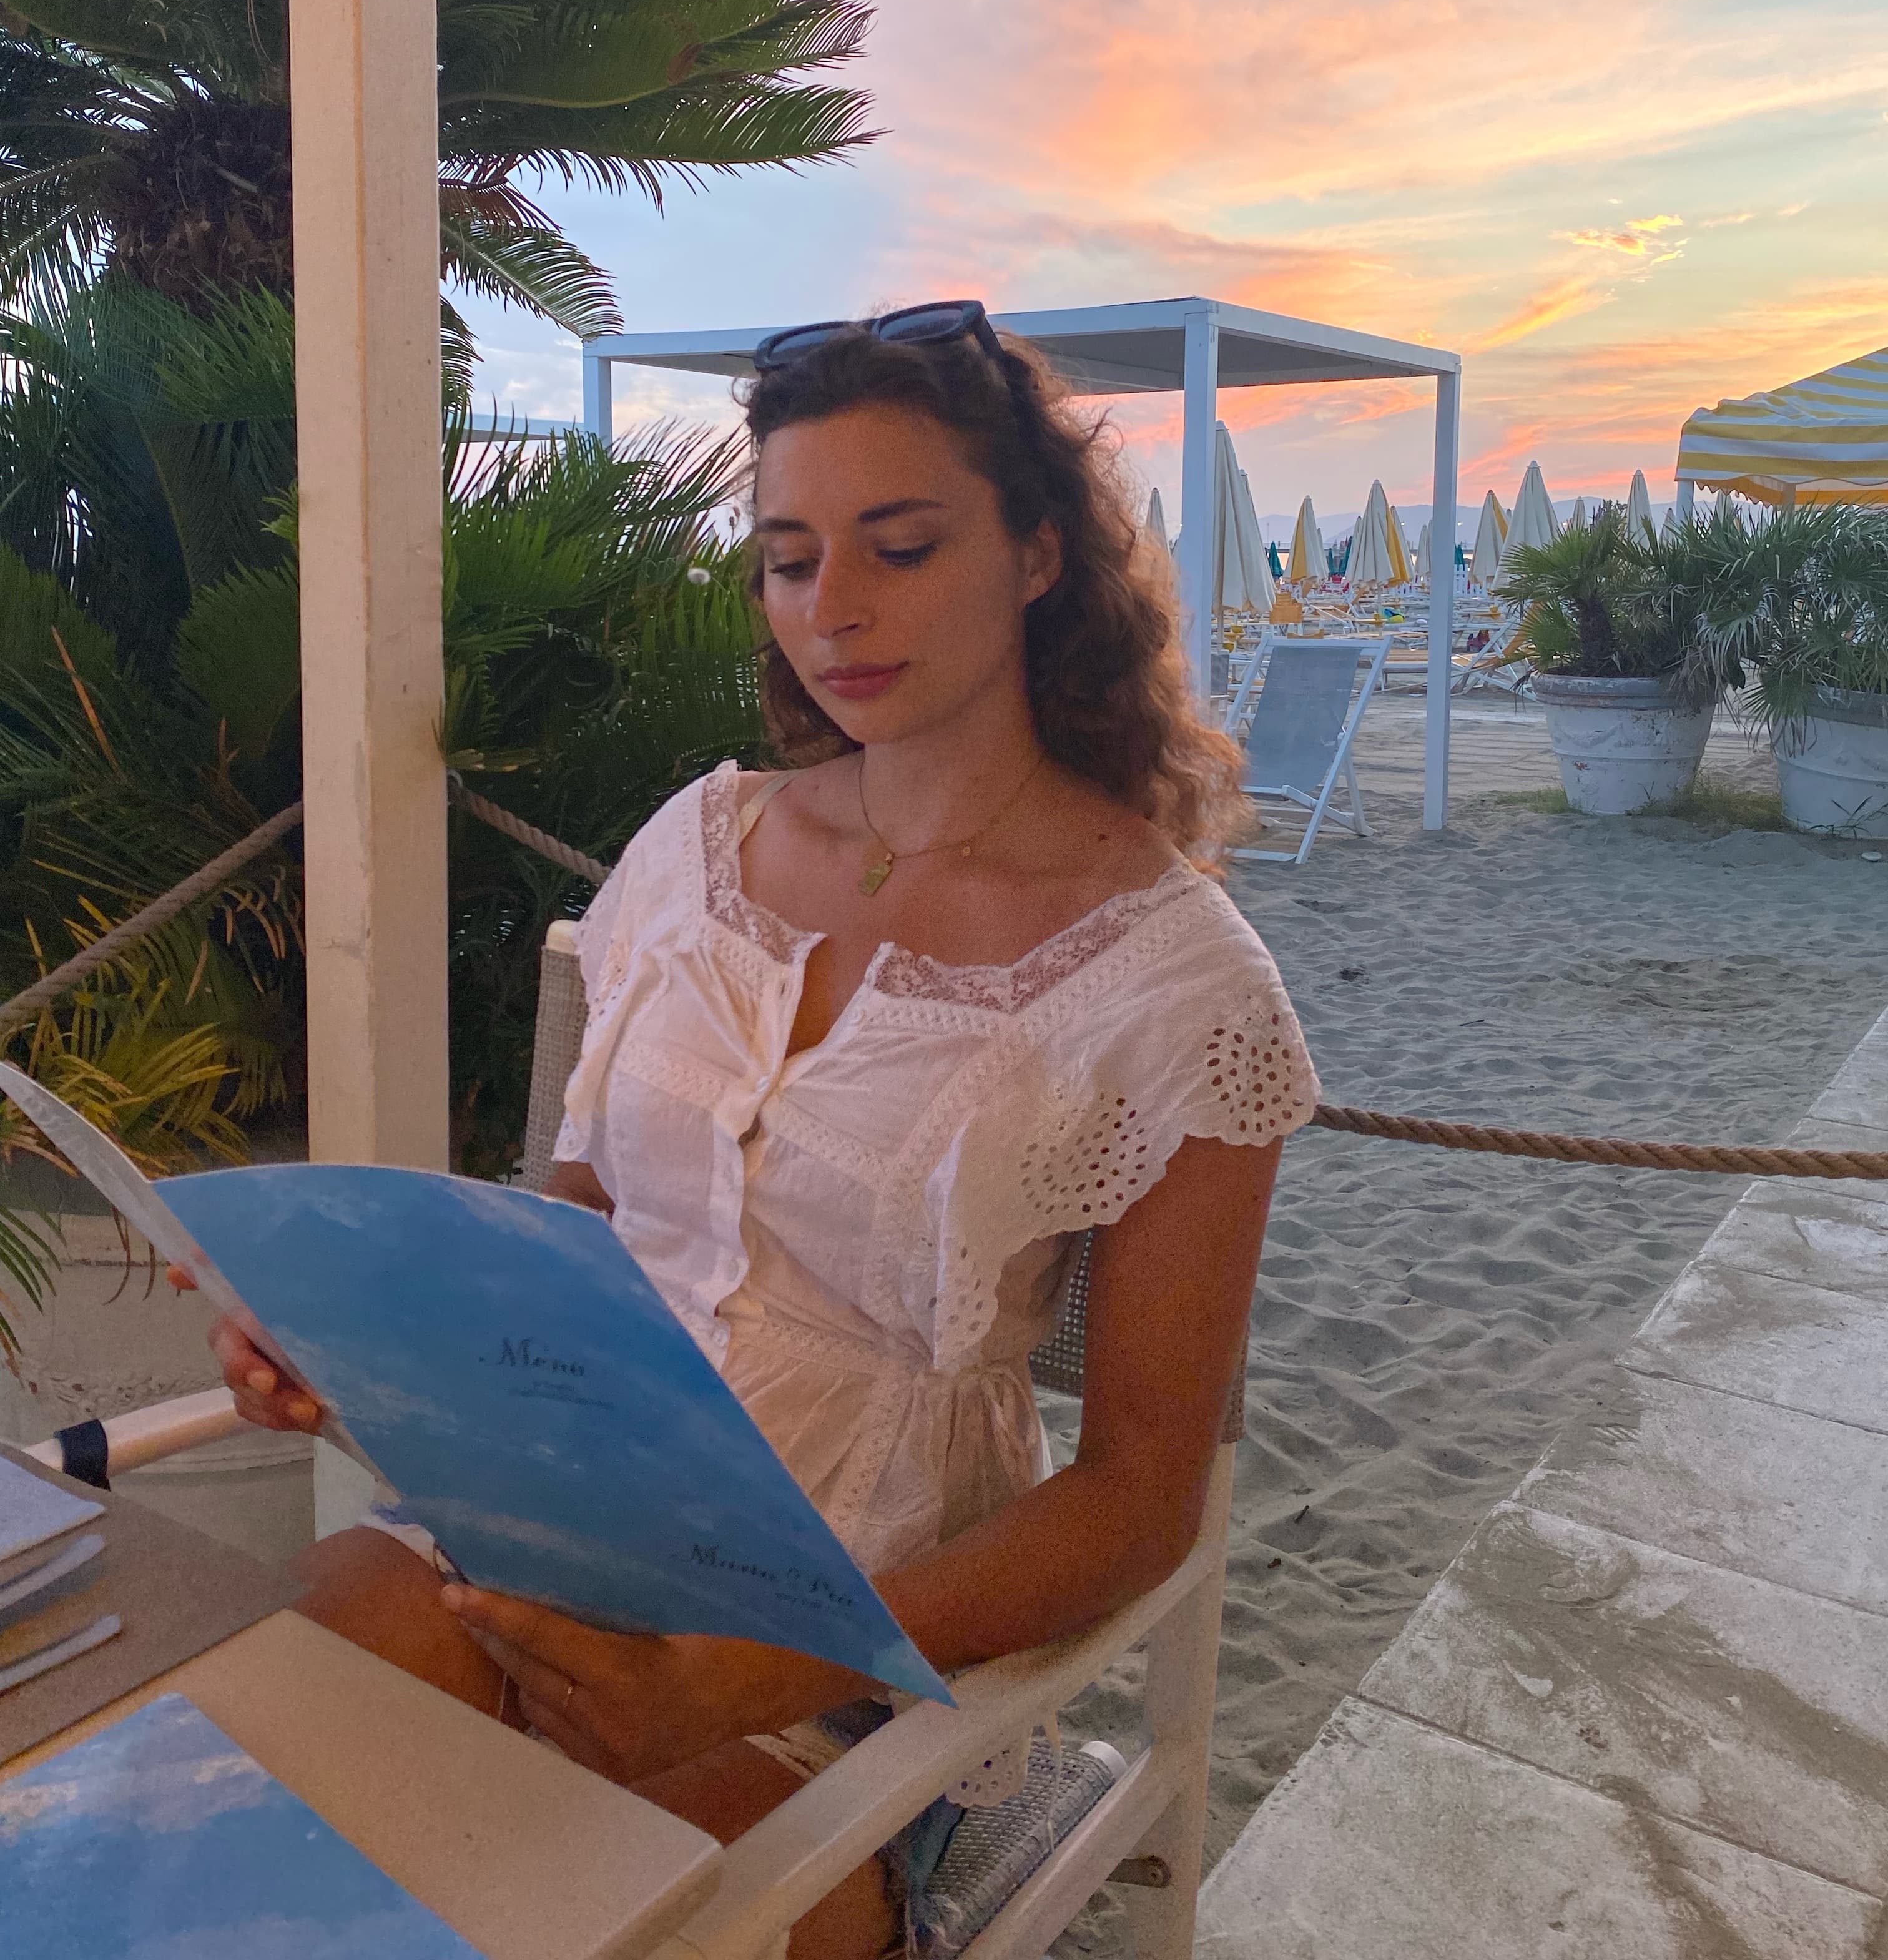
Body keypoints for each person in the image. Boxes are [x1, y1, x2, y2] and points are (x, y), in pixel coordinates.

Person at [189, 303, 1318, 1960]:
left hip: (856, 1652)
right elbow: (574, 1227)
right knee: (245, 1798)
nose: (831, 611)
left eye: (899, 545)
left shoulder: (1177, 987)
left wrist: (775, 1663)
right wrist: (378, 1352)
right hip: (556, 1530)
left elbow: (1145, 1492)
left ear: (1035, 556)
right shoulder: (699, 843)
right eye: (789, 559)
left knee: (617, 1920)